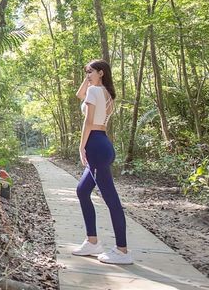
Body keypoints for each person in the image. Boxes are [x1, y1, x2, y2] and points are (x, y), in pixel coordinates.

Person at [72, 59, 133, 265]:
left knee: (111, 199)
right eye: (86, 72)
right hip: (103, 144)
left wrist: (81, 146)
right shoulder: (105, 93)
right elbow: (79, 95)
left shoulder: (95, 92)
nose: (87, 75)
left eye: (90, 72)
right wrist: (88, 77)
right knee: (82, 191)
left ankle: (122, 251)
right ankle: (92, 242)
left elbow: (88, 122)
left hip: (95, 145)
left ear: (101, 73)